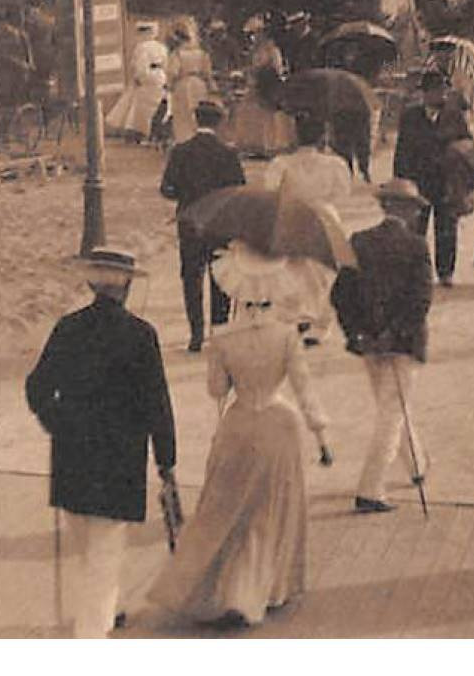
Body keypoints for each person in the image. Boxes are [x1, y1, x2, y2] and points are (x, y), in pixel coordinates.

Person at [143, 240, 331, 629]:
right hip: (280, 425)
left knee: (228, 511)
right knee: (269, 512)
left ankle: (227, 589)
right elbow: (304, 389)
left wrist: (225, 362)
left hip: (239, 423)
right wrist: (321, 436)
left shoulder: (224, 337)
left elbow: (215, 390)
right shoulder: (286, 336)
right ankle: (262, 589)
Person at [25, 248, 177, 639]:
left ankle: (113, 608)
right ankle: (92, 638)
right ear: (125, 286)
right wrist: (166, 461)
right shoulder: (141, 336)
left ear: (92, 283)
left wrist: (57, 423)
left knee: (89, 551)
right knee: (104, 555)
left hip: (73, 458)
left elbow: (37, 387)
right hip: (119, 462)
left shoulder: (68, 327)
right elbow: (156, 404)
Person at [330, 179, 433, 513]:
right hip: (401, 343)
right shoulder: (416, 246)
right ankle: (370, 489)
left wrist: (356, 333)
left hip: (369, 343)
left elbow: (340, 294)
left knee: (392, 406)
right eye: (415, 208)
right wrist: (395, 332)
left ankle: (416, 464)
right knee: (392, 412)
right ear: (405, 210)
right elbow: (420, 300)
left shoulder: (359, 241)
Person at [161, 101, 246, 351]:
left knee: (191, 276)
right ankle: (219, 332)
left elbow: (166, 188)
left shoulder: (180, 151)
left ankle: (196, 334)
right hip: (220, 223)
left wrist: (184, 195)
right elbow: (238, 189)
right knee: (220, 278)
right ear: (219, 122)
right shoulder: (228, 154)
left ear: (196, 121)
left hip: (189, 223)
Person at [265, 114, 355, 342]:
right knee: (323, 271)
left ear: (296, 135)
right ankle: (319, 323)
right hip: (325, 215)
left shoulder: (281, 164)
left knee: (293, 267)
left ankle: (296, 315)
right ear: (323, 137)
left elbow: (270, 190)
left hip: (292, 215)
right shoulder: (335, 164)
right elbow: (342, 192)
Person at [391, 71, 473, 286]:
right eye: (438, 91)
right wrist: (400, 182)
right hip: (419, 182)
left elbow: (469, 148)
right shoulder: (410, 117)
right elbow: (401, 151)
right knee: (416, 230)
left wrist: (466, 182)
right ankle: (415, 272)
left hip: (447, 183)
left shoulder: (455, 116)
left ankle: (446, 273)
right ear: (425, 93)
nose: (443, 95)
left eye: (445, 90)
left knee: (447, 229)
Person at [229, 18, 296, 157]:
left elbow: (277, 68)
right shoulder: (254, 51)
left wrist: (264, 71)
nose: (253, 38)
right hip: (255, 83)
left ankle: (268, 144)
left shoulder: (272, 50)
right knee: (250, 112)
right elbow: (252, 66)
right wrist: (246, 72)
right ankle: (253, 144)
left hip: (267, 84)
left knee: (267, 115)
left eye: (256, 34)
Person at [106, 21, 169, 143]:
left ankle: (140, 132)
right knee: (154, 104)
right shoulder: (161, 47)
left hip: (147, 76)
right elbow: (166, 64)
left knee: (141, 106)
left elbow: (140, 65)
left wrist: (139, 77)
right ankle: (152, 132)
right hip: (160, 76)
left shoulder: (142, 47)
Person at [166, 28, 214, 147]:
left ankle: (184, 139)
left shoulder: (177, 53)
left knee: (183, 112)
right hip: (199, 83)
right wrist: (209, 85)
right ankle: (198, 137)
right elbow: (207, 72)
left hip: (183, 83)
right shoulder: (202, 53)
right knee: (197, 110)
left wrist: (170, 85)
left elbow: (173, 72)